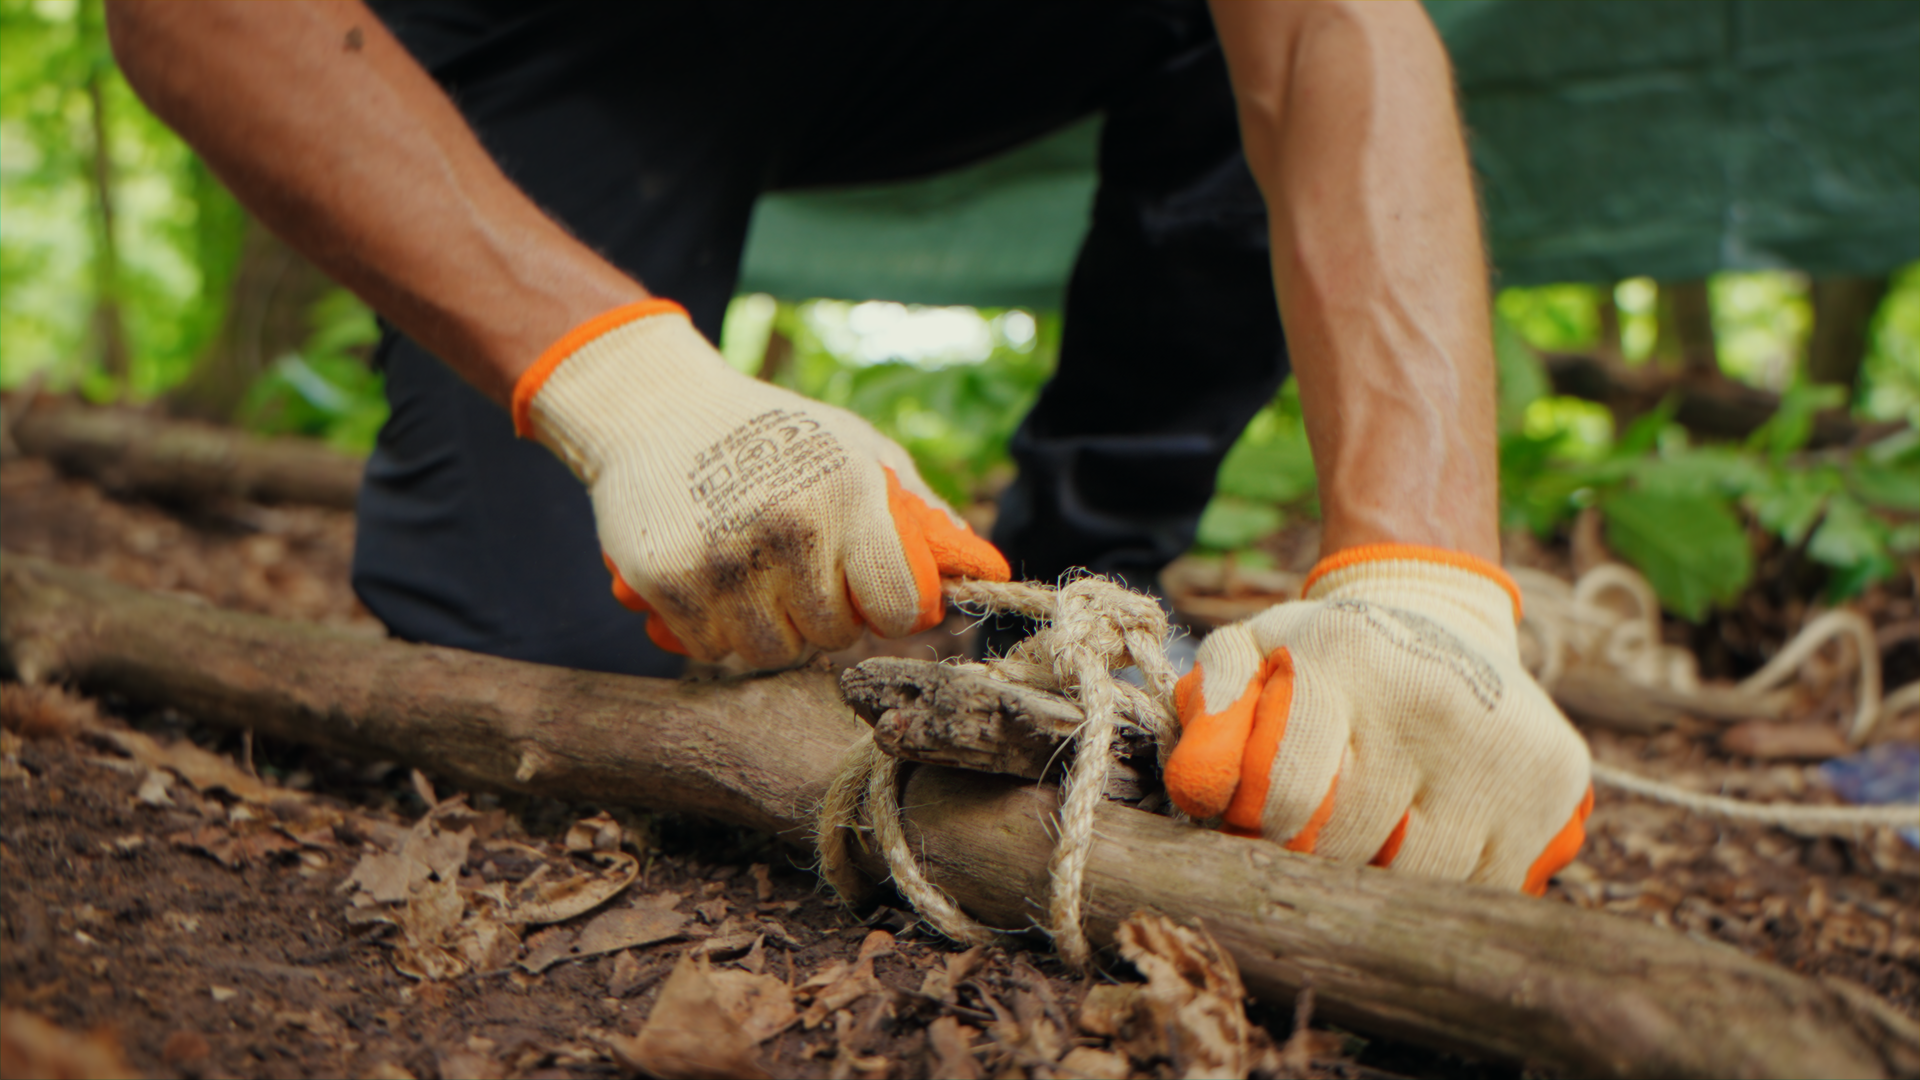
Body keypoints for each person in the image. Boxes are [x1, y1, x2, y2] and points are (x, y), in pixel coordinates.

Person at [107, 0, 1591, 894]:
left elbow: (1337, 25)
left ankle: (1076, 581)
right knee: (551, 662)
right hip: (544, 37)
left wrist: (1433, 575)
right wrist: (615, 380)